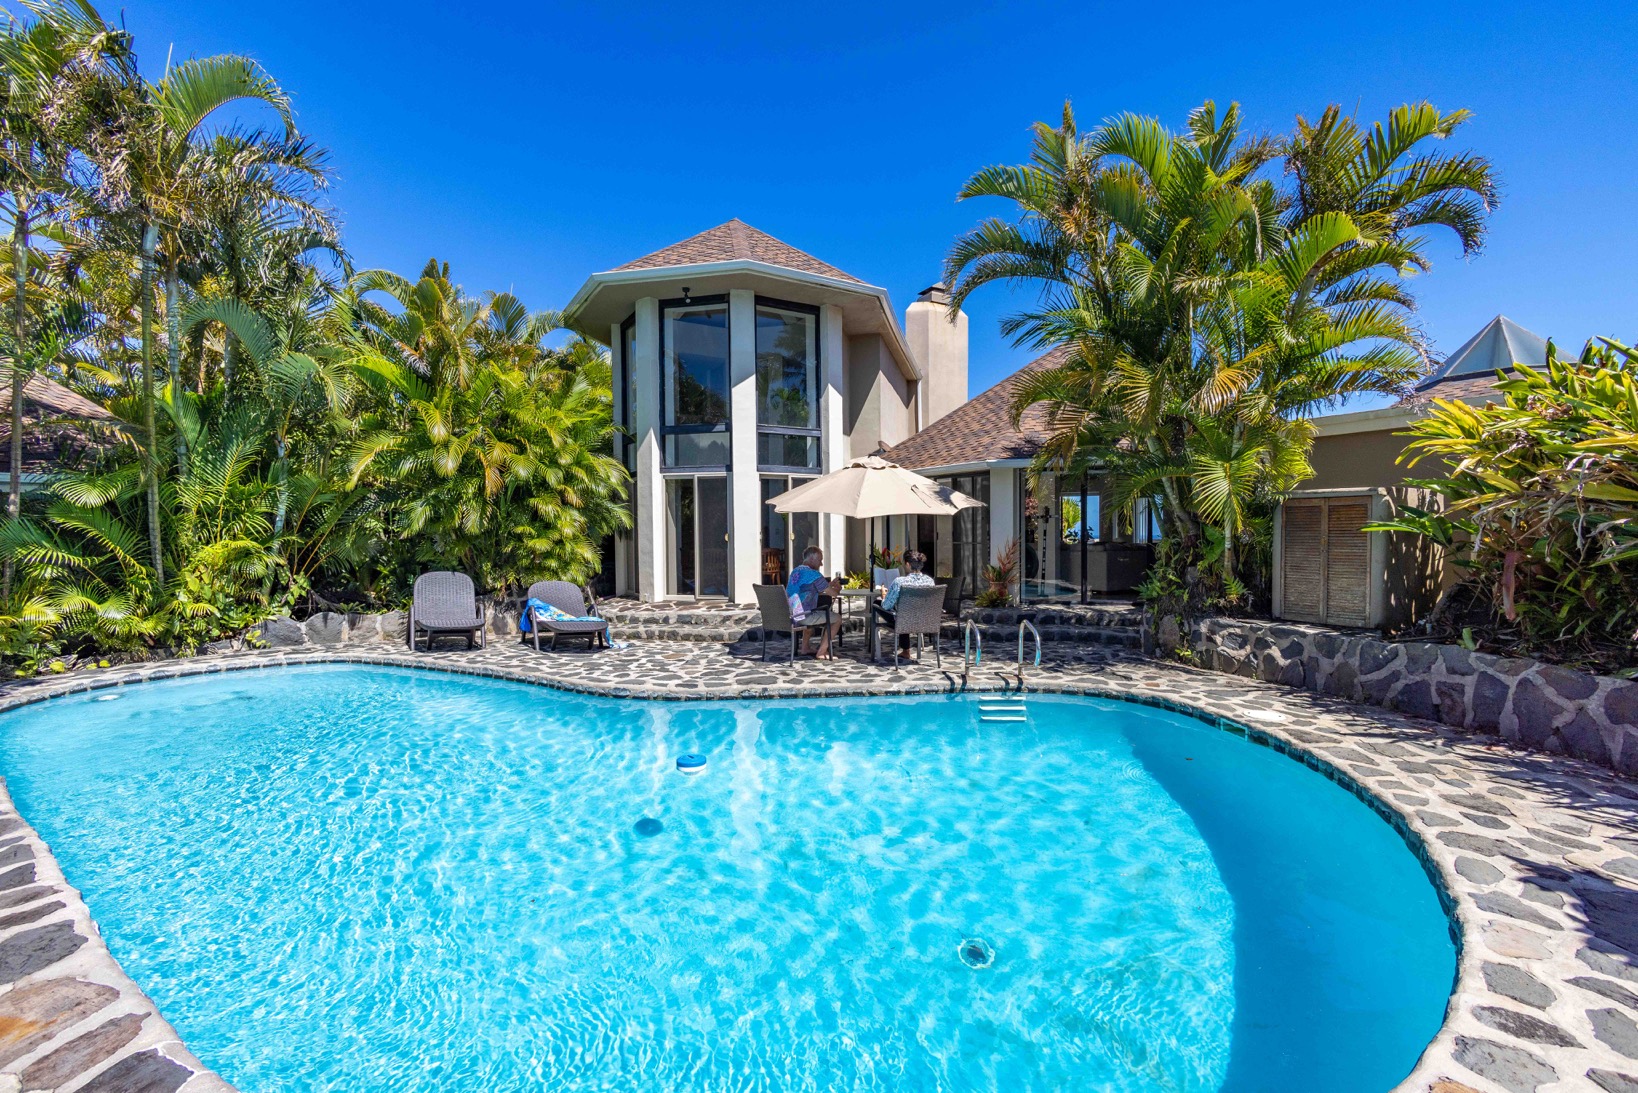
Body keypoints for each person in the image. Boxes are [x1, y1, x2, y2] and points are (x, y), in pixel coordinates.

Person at [785, 545, 843, 658]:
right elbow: (834, 594)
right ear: (812, 559)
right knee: (837, 618)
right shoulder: (814, 574)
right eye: (820, 560)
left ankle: (805, 648)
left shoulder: (796, 571)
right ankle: (822, 651)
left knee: (810, 608)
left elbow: (809, 589)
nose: (821, 564)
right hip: (803, 616)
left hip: (792, 613)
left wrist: (829, 585)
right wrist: (838, 588)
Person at [874, 550, 935, 652]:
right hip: (924, 621)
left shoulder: (900, 582)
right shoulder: (930, 581)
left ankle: (905, 651)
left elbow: (886, 606)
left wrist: (884, 595)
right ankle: (905, 651)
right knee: (905, 611)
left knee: (878, 604)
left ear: (907, 564)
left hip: (904, 622)